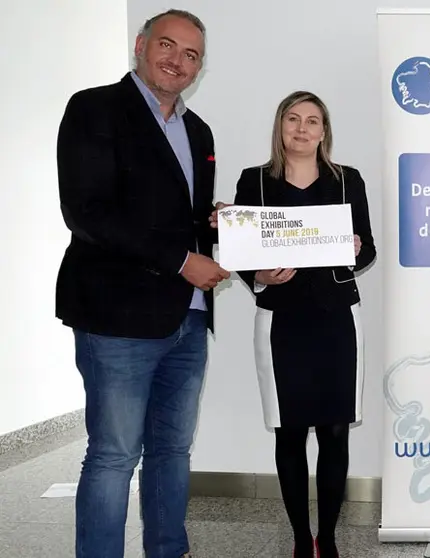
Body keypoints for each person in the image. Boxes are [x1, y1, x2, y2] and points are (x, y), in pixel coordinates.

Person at [55, 9, 227, 558]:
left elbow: (185, 218)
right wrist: (181, 260)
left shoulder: (198, 131)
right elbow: (87, 212)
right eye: (168, 46)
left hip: (190, 318)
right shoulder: (94, 108)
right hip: (117, 318)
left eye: (191, 54)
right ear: (141, 44)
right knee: (113, 455)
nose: (177, 61)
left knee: (173, 452)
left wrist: (217, 225)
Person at [231, 91, 375, 558]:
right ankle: (299, 538)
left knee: (335, 431)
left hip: (337, 320)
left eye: (312, 121)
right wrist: (257, 275)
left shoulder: (347, 180)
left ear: (324, 131)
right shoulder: (253, 181)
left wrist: (354, 248)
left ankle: (327, 538)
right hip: (282, 322)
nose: (301, 129)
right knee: (290, 431)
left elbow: (368, 249)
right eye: (292, 119)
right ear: (280, 126)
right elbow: (238, 253)